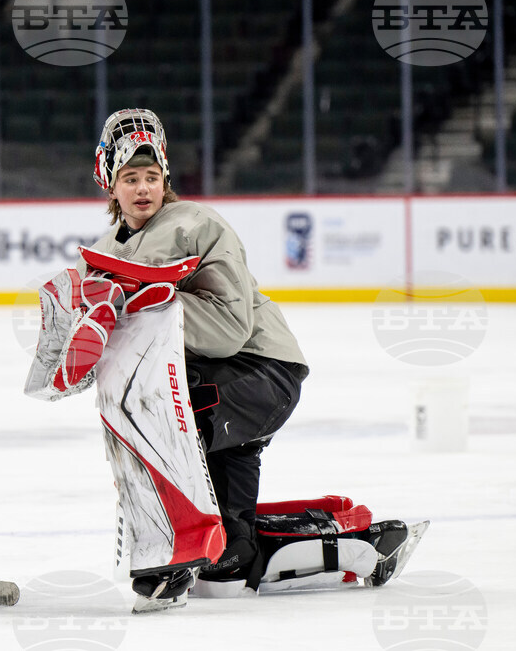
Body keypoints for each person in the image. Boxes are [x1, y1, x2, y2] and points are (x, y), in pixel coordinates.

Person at [26, 110, 423, 612]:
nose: (143, 188)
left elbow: (230, 331)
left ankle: (176, 546)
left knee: (168, 419)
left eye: (152, 177)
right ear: (109, 181)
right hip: (201, 385)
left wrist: (157, 299)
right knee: (224, 570)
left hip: (260, 371)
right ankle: (358, 543)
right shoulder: (101, 255)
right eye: (131, 178)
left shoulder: (197, 225)